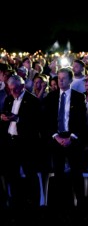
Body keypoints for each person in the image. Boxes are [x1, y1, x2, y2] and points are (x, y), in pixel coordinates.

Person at [43, 67, 87, 208]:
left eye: (63, 78)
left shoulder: (79, 97)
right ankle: (62, 204)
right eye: (59, 78)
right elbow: (48, 120)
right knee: (59, 173)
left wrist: (72, 137)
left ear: (70, 80)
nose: (60, 81)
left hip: (72, 138)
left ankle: (80, 202)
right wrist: (56, 137)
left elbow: (81, 121)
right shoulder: (51, 97)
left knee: (76, 173)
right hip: (57, 139)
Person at [0, 75, 42, 208]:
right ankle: (17, 200)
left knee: (30, 172)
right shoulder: (8, 99)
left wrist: (18, 119)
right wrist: (3, 117)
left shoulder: (32, 101)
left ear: (22, 87)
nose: (13, 92)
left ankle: (34, 201)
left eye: (15, 89)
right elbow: (6, 115)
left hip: (26, 142)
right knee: (12, 173)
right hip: (11, 141)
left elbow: (36, 123)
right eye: (10, 89)